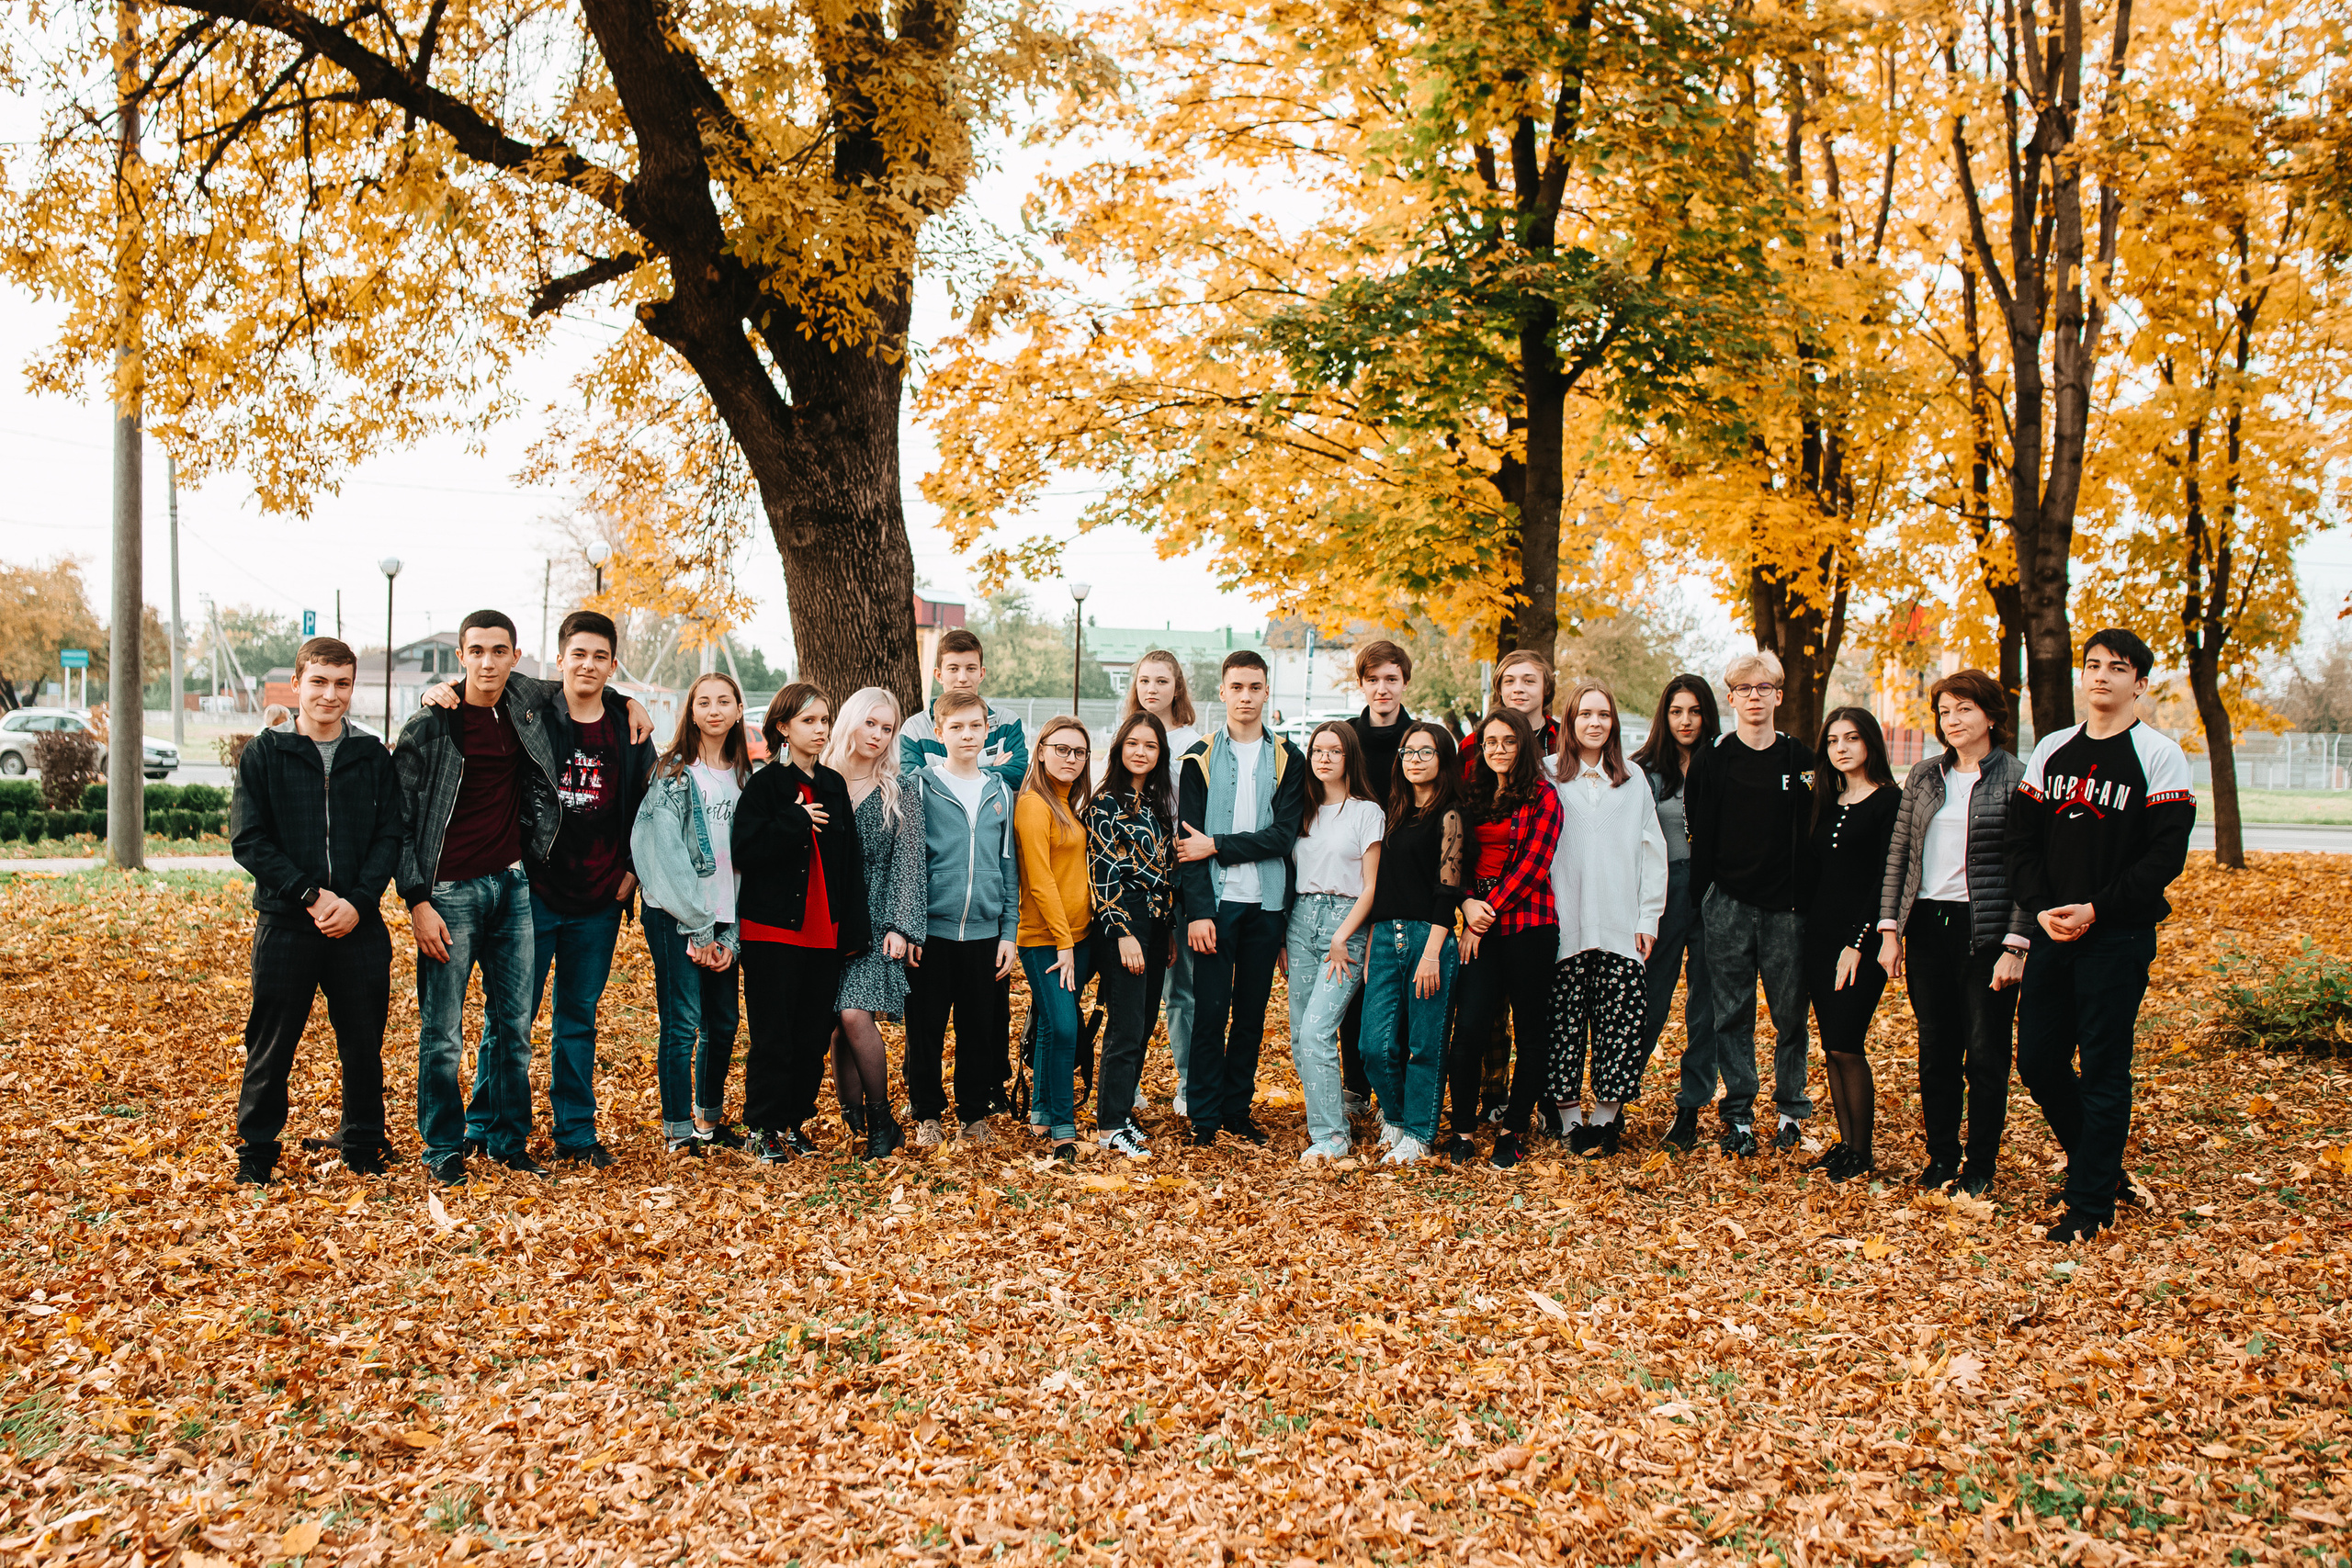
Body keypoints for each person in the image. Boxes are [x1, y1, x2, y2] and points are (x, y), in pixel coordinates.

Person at [417, 612, 657, 1167]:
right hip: (534, 892)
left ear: (613, 665)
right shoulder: (533, 713)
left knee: (578, 1020)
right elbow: (483, 680)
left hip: (600, 898)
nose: (588, 665)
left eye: (600, 657)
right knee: (509, 1019)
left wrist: (631, 872)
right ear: (560, 659)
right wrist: (439, 691)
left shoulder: (628, 728)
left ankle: (575, 1132)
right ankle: (483, 1124)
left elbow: (646, 810)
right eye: (579, 655)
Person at [2006, 629, 2194, 1243]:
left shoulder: (2159, 754)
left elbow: (2164, 857)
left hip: (2116, 936)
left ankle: (2090, 1205)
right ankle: (2101, 1168)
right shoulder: (2053, 749)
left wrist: (2095, 908)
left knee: (2105, 1068)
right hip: (2053, 934)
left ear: (2140, 682)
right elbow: (2022, 842)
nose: (2102, 675)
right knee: (2038, 1061)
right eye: (2093, 665)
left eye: (2117, 667)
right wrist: (2040, 910)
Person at [394, 611, 568, 1187]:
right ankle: (443, 1147)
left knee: (514, 1027)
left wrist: (630, 703)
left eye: (499, 651)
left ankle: (506, 1140)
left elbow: (579, 682)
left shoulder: (522, 703)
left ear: (515, 656)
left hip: (511, 886)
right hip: (448, 893)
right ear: (461, 656)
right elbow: (400, 822)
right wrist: (417, 901)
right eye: (476, 651)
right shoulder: (430, 726)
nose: (487, 662)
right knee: (443, 1032)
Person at [230, 637, 404, 1184]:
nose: (331, 695)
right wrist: (311, 895)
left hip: (358, 925)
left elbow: (390, 835)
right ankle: (257, 1153)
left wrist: (358, 901)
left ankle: (364, 1143)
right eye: (320, 682)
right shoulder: (265, 753)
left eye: (342, 684)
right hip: (287, 925)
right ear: (297, 684)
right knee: (271, 1042)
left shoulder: (371, 755)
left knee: (363, 1042)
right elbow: (249, 840)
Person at [1876, 669, 2030, 1196]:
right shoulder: (1924, 775)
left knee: (1986, 1055)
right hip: (1927, 926)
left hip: (1984, 932)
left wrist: (2016, 944)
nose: (1953, 720)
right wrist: (1890, 930)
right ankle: (1941, 1157)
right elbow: (1899, 853)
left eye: (1964, 708)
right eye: (1944, 711)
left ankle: (1980, 1165)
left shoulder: (2017, 778)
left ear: (1991, 714)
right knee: (1936, 1050)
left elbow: (2028, 870)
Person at [1684, 649, 1816, 1158]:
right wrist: (1705, 899)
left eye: (1763, 688)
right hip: (1728, 906)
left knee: (1790, 1015)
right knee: (1731, 1015)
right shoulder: (1713, 759)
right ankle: (1738, 1115)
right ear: (1731, 698)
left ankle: (1790, 1111)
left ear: (1778, 696)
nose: (1754, 697)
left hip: (1787, 911)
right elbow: (1699, 830)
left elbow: (1812, 830)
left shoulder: (1801, 759)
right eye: (1744, 689)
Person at [1174, 650, 1308, 1147]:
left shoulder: (1290, 759)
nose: (1246, 696)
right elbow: (1188, 846)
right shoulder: (1198, 759)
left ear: (1267, 692)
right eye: (1237, 687)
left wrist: (1219, 845)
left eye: (1255, 687)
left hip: (1267, 906)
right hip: (1216, 905)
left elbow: (1283, 836)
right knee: (1210, 1013)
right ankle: (1204, 1117)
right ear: (1223, 691)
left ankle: (1236, 1112)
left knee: (1250, 1017)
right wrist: (1198, 913)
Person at [733, 684, 869, 1162]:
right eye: (808, 721)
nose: (820, 729)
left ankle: (792, 1123)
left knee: (812, 1037)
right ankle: (762, 1128)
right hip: (772, 931)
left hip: (824, 934)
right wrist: (794, 821)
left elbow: (849, 862)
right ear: (783, 727)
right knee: (774, 1035)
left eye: (824, 720)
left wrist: (852, 932)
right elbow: (745, 849)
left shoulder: (833, 785)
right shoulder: (765, 785)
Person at [899, 626, 1027, 1116]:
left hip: (984, 932)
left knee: (979, 1028)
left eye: (976, 727)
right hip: (931, 932)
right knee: (926, 1027)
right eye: (957, 728)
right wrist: (910, 927)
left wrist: (1008, 932)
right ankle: (927, 1112)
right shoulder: (921, 787)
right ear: (939, 733)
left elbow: (1008, 868)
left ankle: (974, 1112)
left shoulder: (1000, 793)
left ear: (988, 730)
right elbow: (909, 864)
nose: (968, 735)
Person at [1547, 683, 1668, 1158]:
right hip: (1564, 924)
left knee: (1621, 1024)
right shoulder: (1548, 774)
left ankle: (1605, 1119)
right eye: (1585, 714)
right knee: (1563, 1025)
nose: (1594, 723)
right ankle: (1570, 1121)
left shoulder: (1633, 779)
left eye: (1603, 714)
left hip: (1620, 923)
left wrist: (1648, 917)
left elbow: (1653, 851)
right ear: (1570, 721)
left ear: (1613, 722)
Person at [633, 671, 750, 1157]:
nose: (714, 710)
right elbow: (661, 854)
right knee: (682, 1023)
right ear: (692, 711)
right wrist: (699, 929)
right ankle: (679, 1131)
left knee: (723, 1024)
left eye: (724, 701)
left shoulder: (747, 778)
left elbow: (749, 864)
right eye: (704, 702)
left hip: (724, 917)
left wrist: (731, 935)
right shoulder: (673, 775)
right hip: (675, 915)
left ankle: (708, 1121)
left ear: (739, 711)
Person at [1448, 707, 1564, 1166]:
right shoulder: (1472, 794)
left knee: (1531, 1032)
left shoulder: (1543, 796)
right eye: (1491, 742)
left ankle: (1513, 1129)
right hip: (1481, 924)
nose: (1498, 749)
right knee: (1469, 1028)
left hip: (1530, 926)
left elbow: (1534, 866)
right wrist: (1465, 903)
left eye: (1509, 741)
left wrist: (1483, 914)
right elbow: (1455, 858)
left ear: (1524, 745)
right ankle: (1462, 1130)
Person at [823, 687, 926, 1160]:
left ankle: (883, 1122)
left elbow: (910, 863)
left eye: (888, 728)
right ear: (852, 720)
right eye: (871, 723)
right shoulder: (821, 780)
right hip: (825, 919)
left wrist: (902, 927)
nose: (879, 735)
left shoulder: (899, 790)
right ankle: (855, 1120)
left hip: (876, 920)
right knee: (835, 1025)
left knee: (853, 1012)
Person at [1359, 721, 1466, 1165]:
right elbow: (1382, 886)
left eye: (1426, 752)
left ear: (1443, 759)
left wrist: (1432, 954)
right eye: (1408, 752)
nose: (1414, 760)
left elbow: (1448, 890)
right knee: (1373, 1045)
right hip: (1386, 937)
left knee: (1425, 1044)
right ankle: (1399, 1118)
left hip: (1429, 938)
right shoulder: (1394, 812)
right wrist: (1372, 944)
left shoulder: (1451, 815)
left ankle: (1419, 1135)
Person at [1801, 707, 1900, 1180]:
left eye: (1852, 738)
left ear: (1870, 744)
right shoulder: (1827, 799)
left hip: (1861, 943)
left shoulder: (1890, 801)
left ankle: (1862, 1153)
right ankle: (1845, 1146)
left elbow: (1885, 879)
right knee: (1832, 1046)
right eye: (1833, 740)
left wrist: (1858, 942)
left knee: (1847, 1044)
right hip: (1820, 939)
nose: (1841, 748)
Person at [1283, 720, 1386, 1164]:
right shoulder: (1302, 810)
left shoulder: (1366, 812)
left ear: (1349, 758)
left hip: (1345, 925)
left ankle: (1332, 1136)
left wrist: (1343, 936)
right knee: (1299, 1036)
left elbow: (1372, 886)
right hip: (1300, 921)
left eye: (1334, 751)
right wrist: (1284, 937)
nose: (1324, 758)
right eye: (1317, 750)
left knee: (1317, 1030)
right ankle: (1326, 1119)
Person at [1631, 676, 1724, 1155]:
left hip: (1712, 891)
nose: (1686, 721)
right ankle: (1616, 1097)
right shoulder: (1641, 771)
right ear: (1664, 716)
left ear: (1707, 714)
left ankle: (1690, 1108)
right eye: (1676, 712)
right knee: (1649, 998)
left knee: (1706, 1005)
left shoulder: (1725, 763)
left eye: (1694, 711)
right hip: (1661, 891)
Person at [1087, 711, 1177, 1159]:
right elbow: (1102, 874)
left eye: (1151, 746)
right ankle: (1109, 1127)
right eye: (1134, 744)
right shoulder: (1105, 804)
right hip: (1125, 921)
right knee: (1124, 1026)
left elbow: (1165, 871)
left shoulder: (1157, 805)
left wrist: (1169, 930)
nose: (1141, 752)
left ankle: (1121, 1114)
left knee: (1141, 1025)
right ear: (1120, 748)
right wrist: (1121, 932)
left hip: (1157, 924)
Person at [1123, 650, 1203, 1119]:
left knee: (1181, 988)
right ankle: (1126, 1082)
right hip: (1133, 880)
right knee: (1131, 987)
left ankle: (1189, 1085)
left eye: (1162, 681)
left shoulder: (1192, 744)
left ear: (1177, 688)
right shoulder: (1128, 736)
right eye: (1144, 680)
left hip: (1178, 876)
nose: (1152, 689)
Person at [1017, 715, 1097, 1164]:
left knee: (1050, 1024)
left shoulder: (1068, 803)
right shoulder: (1034, 805)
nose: (1071, 758)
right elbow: (1040, 880)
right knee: (1066, 1027)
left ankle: (1042, 1113)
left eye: (1079, 752)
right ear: (1042, 750)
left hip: (1078, 937)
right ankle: (1064, 1128)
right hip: (1045, 939)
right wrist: (1063, 942)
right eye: (1062, 749)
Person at [1340, 638, 1413, 1119]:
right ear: (1362, 684)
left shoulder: (1420, 738)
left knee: (1395, 984)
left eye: (1391, 679)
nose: (1382, 688)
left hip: (1403, 876)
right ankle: (1354, 1087)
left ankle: (1395, 1089)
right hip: (1352, 874)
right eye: (1373, 680)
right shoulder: (1347, 737)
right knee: (1353, 984)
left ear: (1404, 682)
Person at [899, 627, 1030, 790]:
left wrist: (937, 776)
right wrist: (994, 772)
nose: (962, 678)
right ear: (939, 675)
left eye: (971, 668)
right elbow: (914, 786)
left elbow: (1018, 775)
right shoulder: (915, 728)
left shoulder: (1007, 721)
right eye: (953, 669)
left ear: (981, 673)